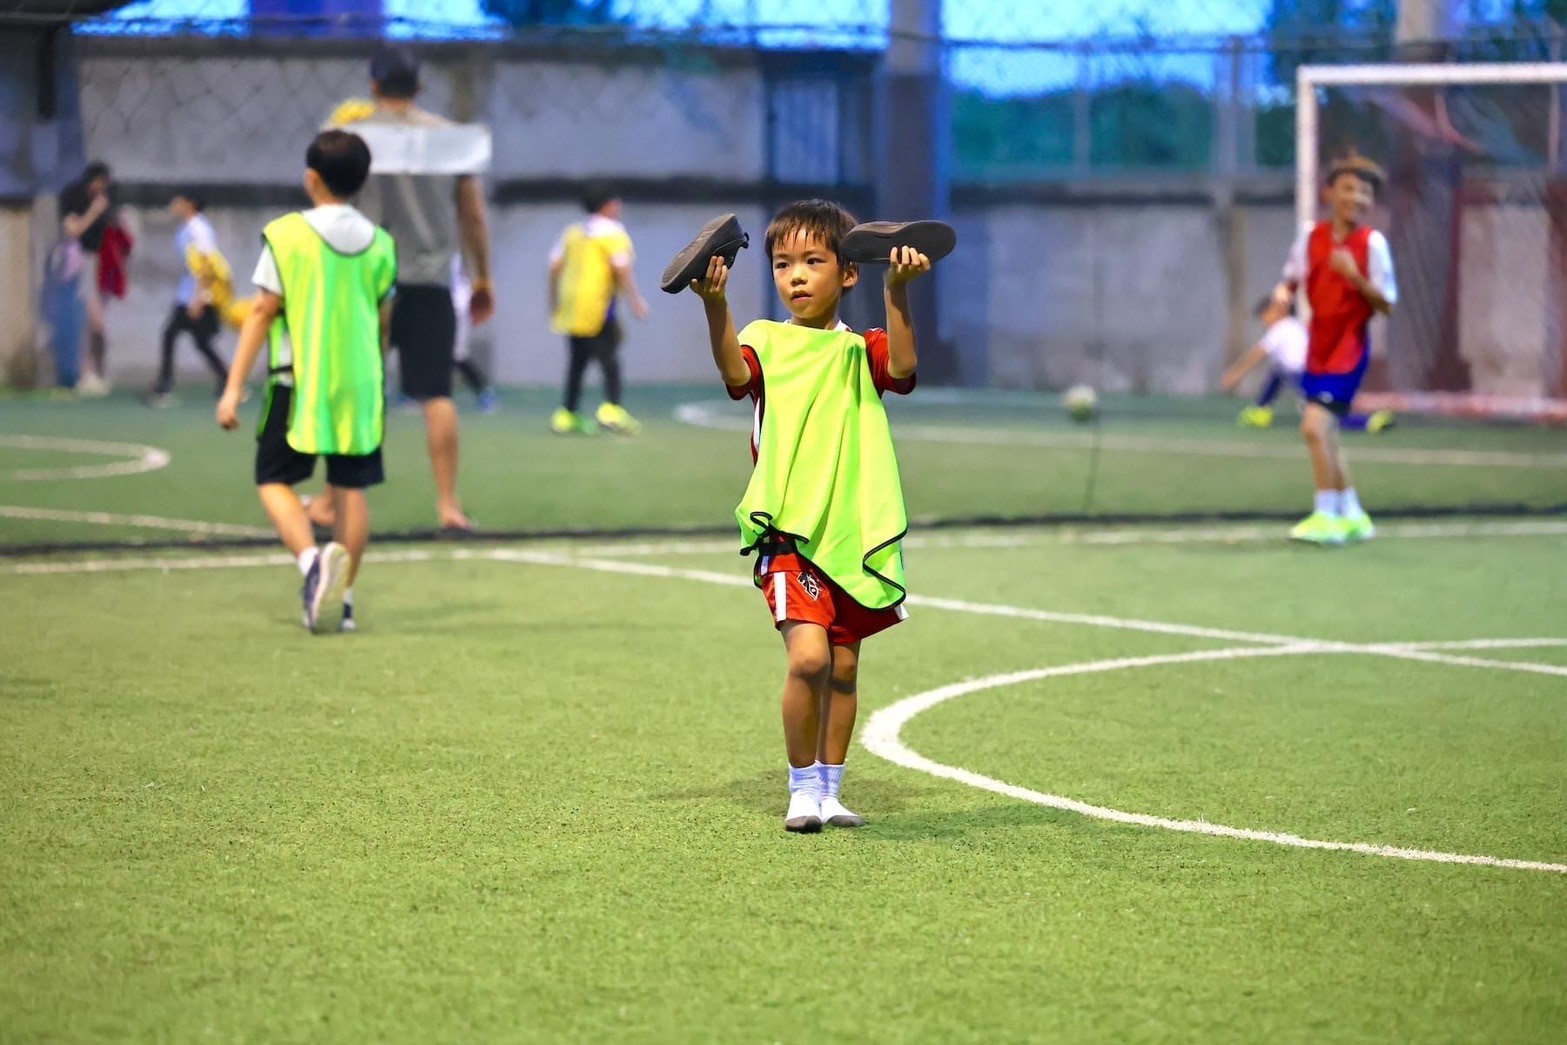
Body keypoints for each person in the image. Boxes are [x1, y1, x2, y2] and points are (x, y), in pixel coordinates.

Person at [686, 199, 932, 833]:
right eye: (782, 263)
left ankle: (829, 789)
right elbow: (734, 372)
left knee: (845, 667)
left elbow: (903, 369)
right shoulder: (764, 339)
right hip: (788, 531)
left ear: (848, 273)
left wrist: (898, 292)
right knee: (809, 660)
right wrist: (715, 303)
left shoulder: (862, 350)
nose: (795, 276)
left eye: (812, 262)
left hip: (850, 533)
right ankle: (800, 789)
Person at [216, 130, 397, 635]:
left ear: (310, 179)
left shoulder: (287, 235)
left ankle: (313, 567)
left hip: (298, 382)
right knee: (351, 488)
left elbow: (260, 311)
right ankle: (345, 598)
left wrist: (232, 389)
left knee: (272, 478)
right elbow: (382, 320)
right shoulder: (382, 245)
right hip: (360, 385)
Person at [324, 45, 493, 532]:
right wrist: (483, 277)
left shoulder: (351, 139)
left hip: (366, 280)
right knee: (436, 393)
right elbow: (474, 215)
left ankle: (333, 502)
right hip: (432, 280)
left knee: (357, 392)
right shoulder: (447, 139)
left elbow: (326, 203)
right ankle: (448, 505)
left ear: (373, 85)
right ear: (418, 88)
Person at [1272, 151, 1398, 546]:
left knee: (1313, 426)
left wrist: (1355, 277)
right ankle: (1355, 515)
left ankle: (1327, 516)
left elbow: (1387, 305)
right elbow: (1291, 278)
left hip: (1348, 350)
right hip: (1318, 349)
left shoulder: (1372, 244)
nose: (1356, 198)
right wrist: (1281, 295)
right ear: (1330, 192)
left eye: (1364, 193)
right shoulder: (1310, 238)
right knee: (1326, 433)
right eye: (1348, 189)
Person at [548, 181, 649, 435]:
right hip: (598, 305)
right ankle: (612, 410)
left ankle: (567, 414)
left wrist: (554, 299)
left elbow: (554, 265)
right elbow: (621, 266)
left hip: (572, 306)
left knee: (577, 362)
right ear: (608, 205)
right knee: (610, 359)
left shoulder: (574, 232)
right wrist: (636, 300)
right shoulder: (613, 233)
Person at [1220, 294, 1394, 434]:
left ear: (1278, 311)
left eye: (1266, 314)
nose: (1264, 319)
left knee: (1324, 415)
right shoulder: (1293, 326)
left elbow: (1257, 355)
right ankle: (1260, 411)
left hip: (1307, 375)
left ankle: (1370, 422)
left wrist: (1234, 375)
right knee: (1279, 372)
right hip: (1315, 372)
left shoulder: (1281, 328)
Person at [146, 192, 230, 406]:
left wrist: (198, 299)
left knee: (171, 334)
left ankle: (164, 386)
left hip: (195, 295)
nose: (175, 205)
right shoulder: (188, 227)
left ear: (190, 204)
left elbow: (206, 266)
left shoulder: (198, 229)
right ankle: (228, 380)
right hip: (187, 292)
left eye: (179, 201)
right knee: (200, 341)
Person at [58, 161, 130, 396]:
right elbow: (74, 230)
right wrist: (94, 212)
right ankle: (86, 373)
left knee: (94, 325)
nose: (102, 187)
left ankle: (94, 373)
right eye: (100, 182)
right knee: (95, 321)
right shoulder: (74, 198)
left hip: (103, 265)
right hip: (83, 261)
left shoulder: (108, 201)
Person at [450, 254, 498, 413]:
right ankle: (415, 393)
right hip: (442, 306)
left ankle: (484, 392)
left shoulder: (453, 252)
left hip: (456, 306)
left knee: (457, 354)